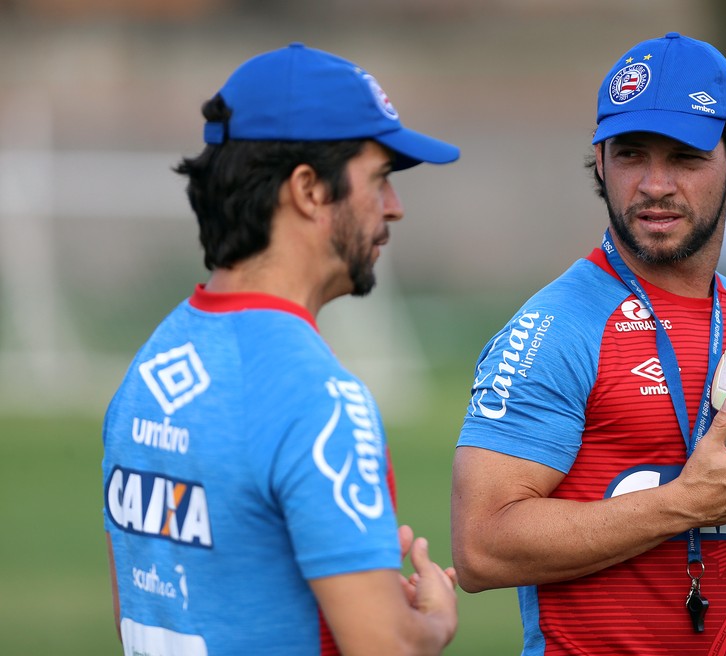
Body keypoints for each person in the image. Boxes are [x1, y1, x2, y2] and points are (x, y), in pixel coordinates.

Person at [451, 32, 726, 655]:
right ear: (600, 159)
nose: (654, 184)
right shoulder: (556, 328)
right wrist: (686, 503)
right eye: (632, 154)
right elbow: (481, 548)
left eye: (686, 158)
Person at [102, 43, 460, 656]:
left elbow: (153, 606)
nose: (394, 208)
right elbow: (386, 648)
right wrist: (427, 624)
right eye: (379, 179)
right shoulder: (319, 398)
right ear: (309, 191)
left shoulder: (147, 369)